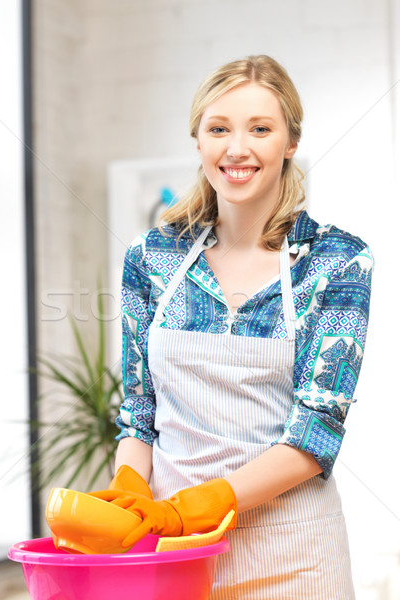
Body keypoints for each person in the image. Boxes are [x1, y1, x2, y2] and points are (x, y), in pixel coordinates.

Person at [105, 55, 373, 599]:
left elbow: (317, 429)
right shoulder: (153, 257)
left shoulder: (336, 261)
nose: (237, 149)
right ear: (198, 140)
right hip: (174, 551)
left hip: (292, 553)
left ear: (290, 142)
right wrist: (131, 484)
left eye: (260, 129)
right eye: (219, 129)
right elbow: (139, 409)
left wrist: (201, 504)